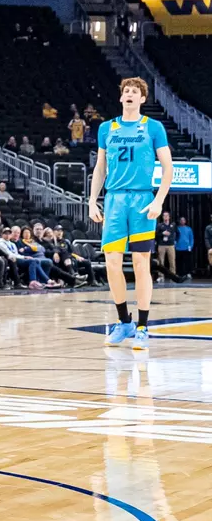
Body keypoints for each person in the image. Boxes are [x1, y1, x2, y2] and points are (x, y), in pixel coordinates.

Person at [89, 77, 173, 351]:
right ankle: (123, 321)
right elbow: (100, 168)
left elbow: (168, 167)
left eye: (135, 92)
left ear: (142, 99)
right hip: (114, 200)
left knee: (141, 262)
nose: (129, 94)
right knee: (112, 261)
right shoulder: (106, 128)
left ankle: (142, 326)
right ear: (121, 97)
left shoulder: (153, 127)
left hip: (141, 200)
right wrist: (92, 201)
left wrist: (158, 200)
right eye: (126, 91)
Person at [155, 211, 178, 281]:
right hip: (162, 245)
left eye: (167, 215)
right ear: (162, 217)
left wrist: (175, 240)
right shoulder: (159, 225)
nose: (165, 217)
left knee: (172, 261)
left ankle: (173, 275)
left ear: (169, 217)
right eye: (164, 216)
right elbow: (156, 235)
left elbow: (177, 233)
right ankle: (161, 276)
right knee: (161, 261)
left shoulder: (173, 225)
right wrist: (162, 233)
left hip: (171, 245)